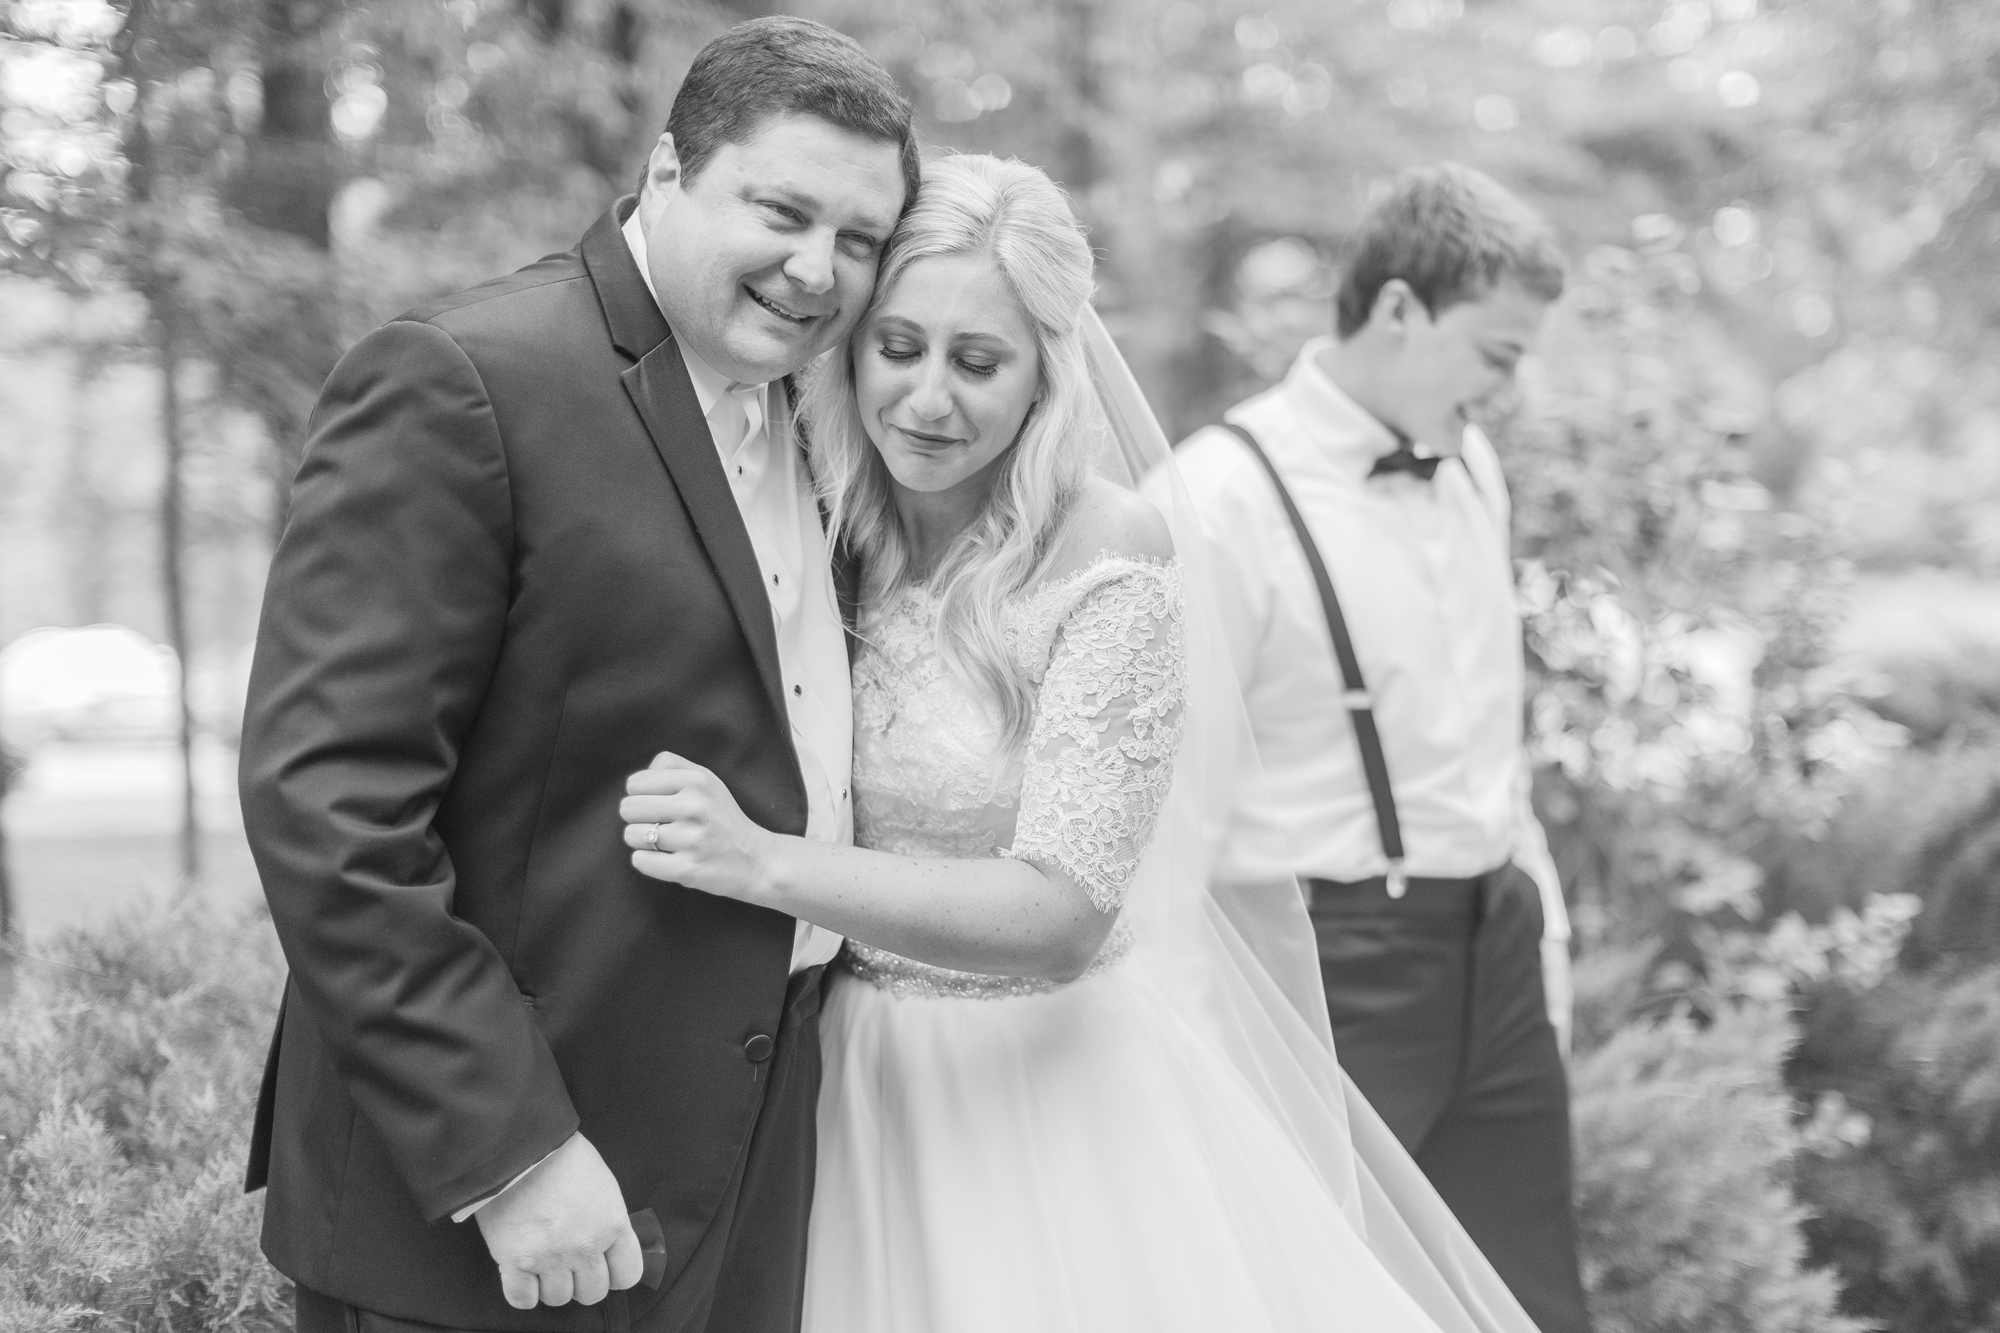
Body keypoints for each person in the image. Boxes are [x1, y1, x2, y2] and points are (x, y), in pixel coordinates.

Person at [617, 152, 1543, 1333]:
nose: (927, 399)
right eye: (898, 346)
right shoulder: (817, 517)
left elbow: (1063, 913)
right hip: (836, 1076)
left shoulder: (1105, 549)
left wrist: (760, 862)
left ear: (1045, 377)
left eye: (978, 362)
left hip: (1042, 1094)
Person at [237, 19, 914, 1333]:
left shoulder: (821, 421)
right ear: (666, 171)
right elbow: (330, 809)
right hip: (505, 1207)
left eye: (859, 238)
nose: (816, 268)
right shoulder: (465, 380)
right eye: (782, 210)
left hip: (753, 1167)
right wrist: (512, 1155)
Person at [1163, 163, 1592, 1333]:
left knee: (1521, 1302)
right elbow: (1168, 822)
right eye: (1495, 352)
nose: (1508, 388)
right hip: (1330, 967)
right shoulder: (1216, 498)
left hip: (1496, 949)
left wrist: (1538, 948)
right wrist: (1196, 1059)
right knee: (1308, 1299)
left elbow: (1486, 740)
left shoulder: (1471, 466)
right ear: (1398, 308)